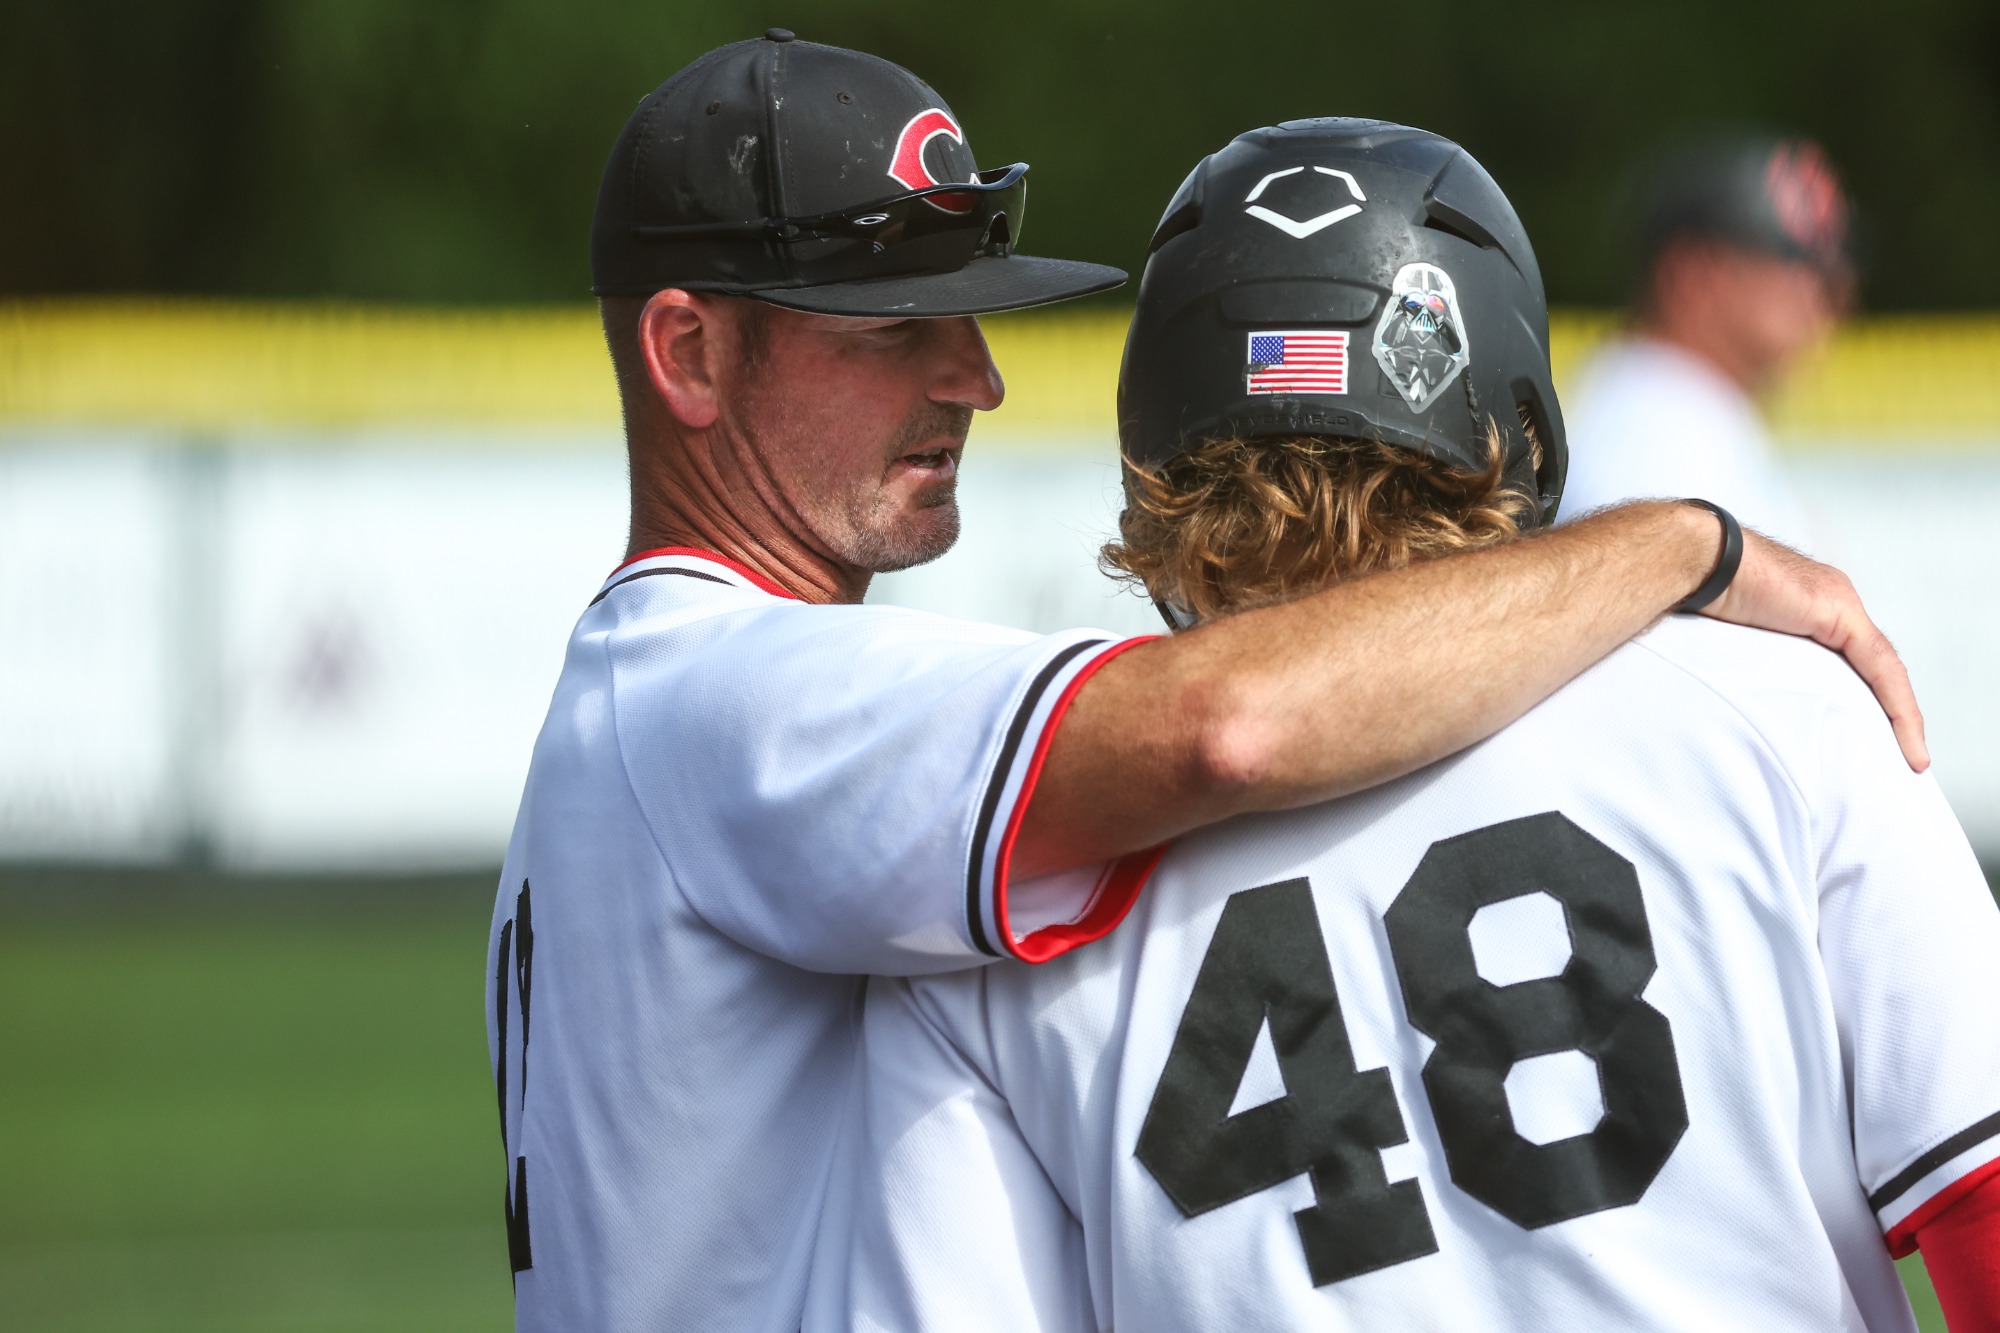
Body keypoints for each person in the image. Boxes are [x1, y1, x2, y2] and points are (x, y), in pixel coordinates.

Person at [486, 35, 1924, 1332]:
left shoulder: (662, 709)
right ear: (688, 351)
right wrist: (1680, 546)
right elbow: (1222, 725)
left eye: (967, 314)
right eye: (891, 328)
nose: (974, 376)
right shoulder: (723, 694)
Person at [807, 121, 1997, 1332]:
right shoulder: (1778, 714)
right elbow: (1987, 1214)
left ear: (1149, 441)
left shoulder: (991, 915)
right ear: (1515, 419)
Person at [1556, 135, 1854, 551]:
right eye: (1795, 258)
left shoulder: (1685, 413)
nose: (1832, 288)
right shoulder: (1652, 442)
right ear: (1692, 273)